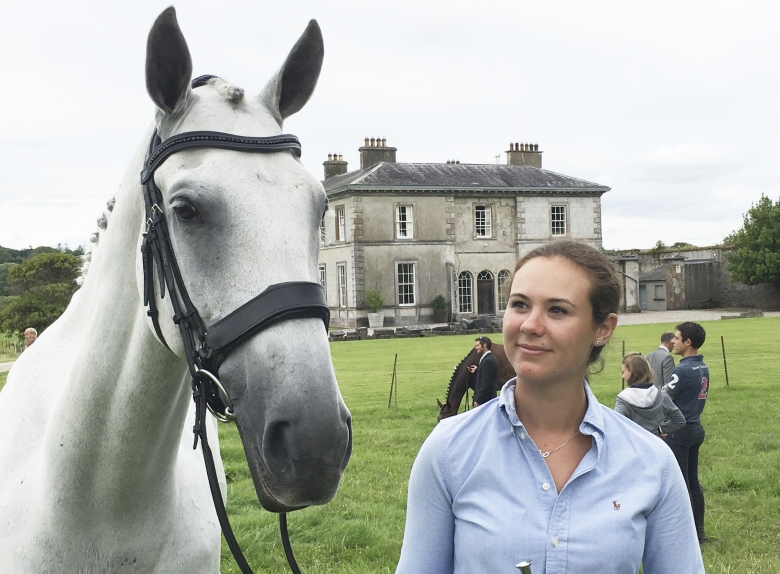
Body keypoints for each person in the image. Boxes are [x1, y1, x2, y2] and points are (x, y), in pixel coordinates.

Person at [396, 240, 704, 574]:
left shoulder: (652, 462)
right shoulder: (448, 450)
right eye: (519, 304)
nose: (530, 325)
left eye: (557, 310)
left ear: (603, 329)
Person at [664, 321, 709, 544]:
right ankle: (699, 532)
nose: (673, 341)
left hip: (679, 431)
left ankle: (685, 535)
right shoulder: (703, 366)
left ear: (687, 342)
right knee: (693, 481)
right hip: (695, 427)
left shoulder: (681, 370)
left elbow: (665, 400)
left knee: (680, 485)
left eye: (677, 337)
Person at [615, 352, 685, 437]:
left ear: (632, 373)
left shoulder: (624, 399)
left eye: (623, 372)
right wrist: (659, 430)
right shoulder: (661, 396)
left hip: (634, 443)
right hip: (654, 443)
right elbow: (679, 421)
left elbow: (615, 426)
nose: (622, 376)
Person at [467, 336, 499, 407]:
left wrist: (479, 400)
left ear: (484, 345)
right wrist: (477, 370)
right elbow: (487, 375)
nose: (476, 348)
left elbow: (486, 384)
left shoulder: (488, 361)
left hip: (485, 401)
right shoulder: (488, 358)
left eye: (477, 345)